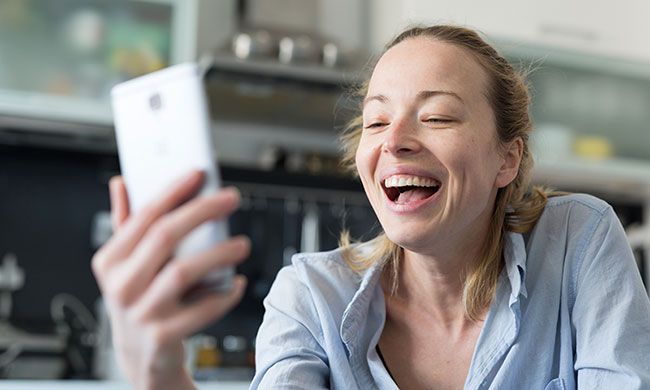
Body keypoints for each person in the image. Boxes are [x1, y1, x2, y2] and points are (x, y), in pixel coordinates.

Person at [92, 24, 650, 390]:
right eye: (377, 121)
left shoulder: (579, 240)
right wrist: (159, 368)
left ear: (507, 160)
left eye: (436, 116)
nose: (394, 140)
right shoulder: (311, 295)